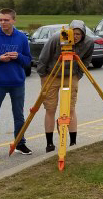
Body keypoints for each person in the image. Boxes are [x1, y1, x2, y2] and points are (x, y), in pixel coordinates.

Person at [0, 8, 33, 161]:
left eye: (6, 20)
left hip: (17, 82)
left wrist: (19, 56)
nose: (3, 22)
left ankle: (20, 143)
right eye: (0, 19)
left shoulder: (21, 37)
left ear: (14, 20)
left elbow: (28, 60)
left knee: (19, 116)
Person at [37, 20, 94, 152]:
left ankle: (73, 143)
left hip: (71, 76)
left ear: (83, 34)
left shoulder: (89, 43)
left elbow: (86, 60)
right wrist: (43, 76)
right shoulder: (57, 38)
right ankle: (49, 143)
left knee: (70, 108)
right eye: (73, 33)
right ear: (68, 32)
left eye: (78, 34)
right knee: (50, 109)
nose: (75, 37)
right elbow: (43, 57)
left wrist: (78, 75)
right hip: (51, 75)